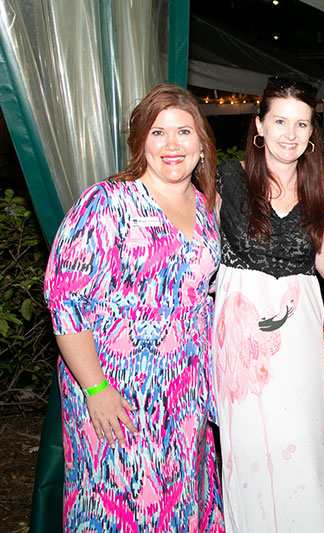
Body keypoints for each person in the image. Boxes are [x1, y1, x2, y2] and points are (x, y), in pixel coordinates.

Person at [43, 84, 224, 530]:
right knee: (119, 502)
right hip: (119, 391)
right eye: (158, 132)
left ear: (202, 142)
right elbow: (64, 299)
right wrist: (96, 390)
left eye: (183, 131)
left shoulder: (204, 207)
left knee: (181, 502)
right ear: (141, 140)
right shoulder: (107, 201)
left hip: (185, 391)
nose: (171, 144)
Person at [212, 77, 324, 531]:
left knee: (305, 441)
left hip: (299, 336)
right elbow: (196, 250)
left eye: (301, 124)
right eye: (280, 121)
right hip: (240, 342)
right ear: (259, 125)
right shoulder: (225, 179)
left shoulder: (322, 194)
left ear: (313, 132)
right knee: (252, 446)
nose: (290, 134)